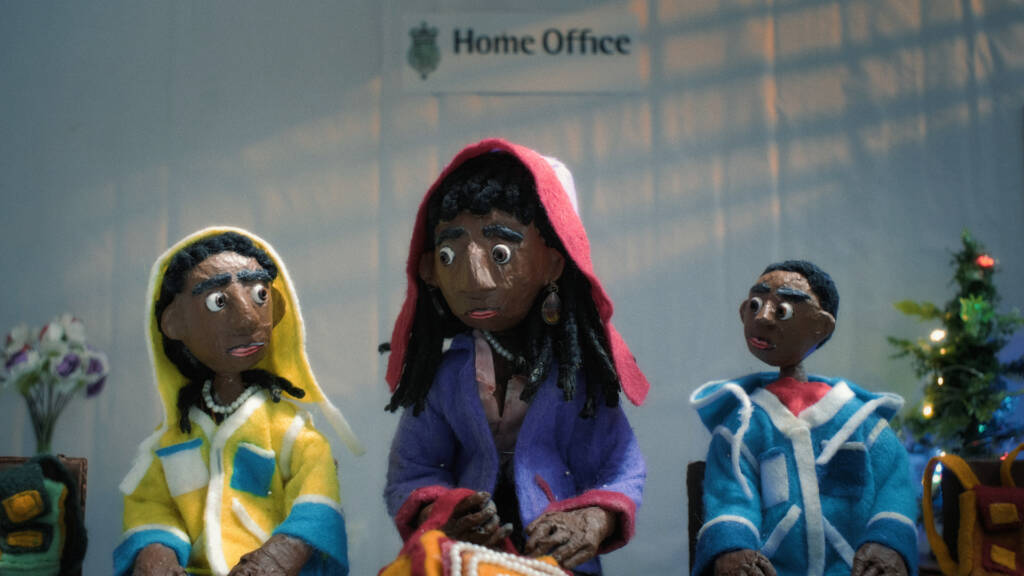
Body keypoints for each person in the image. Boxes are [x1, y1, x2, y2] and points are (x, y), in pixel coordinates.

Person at [382, 139, 649, 575]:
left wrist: (589, 520)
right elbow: (412, 469)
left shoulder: (575, 377)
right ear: (430, 270)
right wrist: (444, 516)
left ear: (553, 263)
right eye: (449, 255)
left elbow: (620, 467)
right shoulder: (445, 378)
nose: (473, 278)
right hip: (465, 556)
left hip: (553, 555)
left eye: (500, 253)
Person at [114, 227, 361, 576]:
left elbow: (318, 498)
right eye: (217, 301)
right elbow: (151, 505)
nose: (247, 318)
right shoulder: (172, 441)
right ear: (174, 322)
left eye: (259, 294)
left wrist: (277, 558)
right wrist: (157, 554)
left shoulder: (290, 431)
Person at [690, 260, 917, 576]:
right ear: (743, 312)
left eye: (782, 310)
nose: (762, 317)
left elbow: (895, 483)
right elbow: (730, 494)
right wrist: (733, 548)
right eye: (755, 305)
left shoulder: (858, 418)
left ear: (821, 326)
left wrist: (889, 541)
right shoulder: (743, 426)